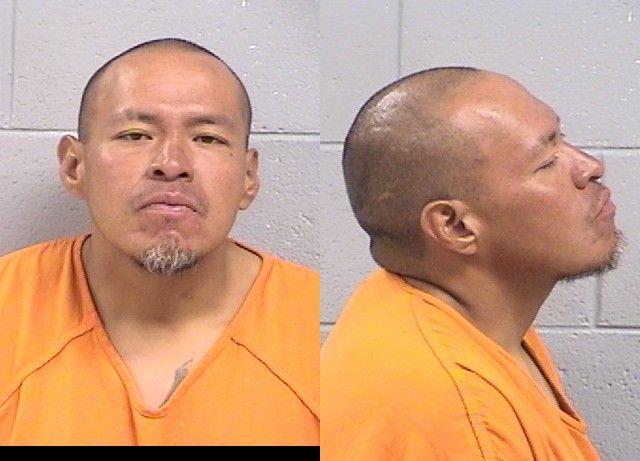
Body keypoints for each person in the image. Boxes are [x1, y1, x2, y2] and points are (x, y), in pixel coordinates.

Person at [0, 38, 319, 445]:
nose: (171, 164)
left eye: (207, 138)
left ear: (248, 177)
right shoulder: (8, 310)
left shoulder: (320, 336)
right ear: (74, 165)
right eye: (135, 135)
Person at [321, 67, 619, 460]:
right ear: (455, 226)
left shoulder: (475, 318)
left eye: (561, 138)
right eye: (547, 162)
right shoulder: (456, 412)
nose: (590, 166)